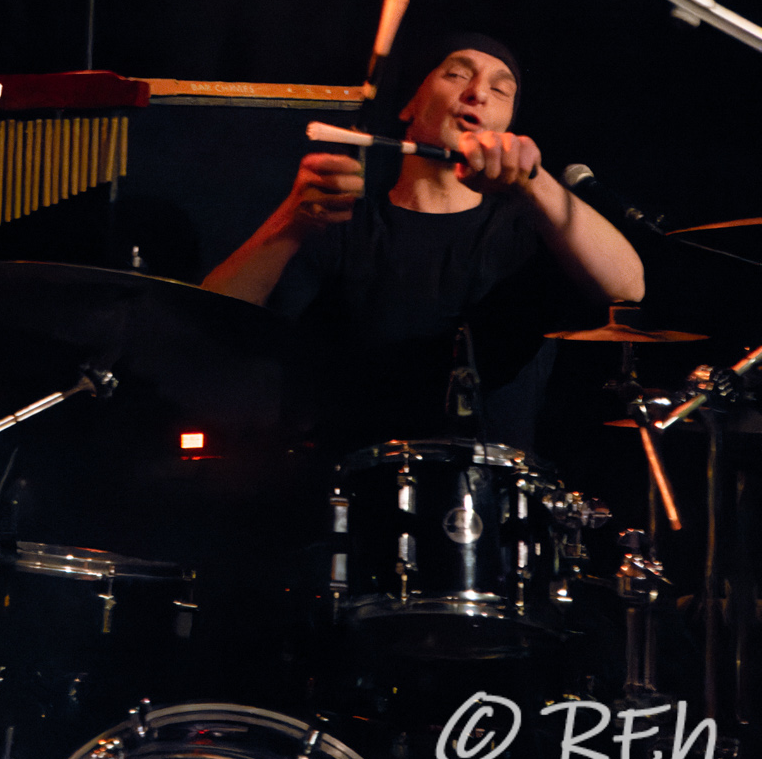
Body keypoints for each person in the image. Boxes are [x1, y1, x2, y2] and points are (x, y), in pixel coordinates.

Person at [201, 34, 644, 451]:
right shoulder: (338, 221)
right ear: (410, 104)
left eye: (500, 89)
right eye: (457, 74)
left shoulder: (529, 229)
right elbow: (208, 323)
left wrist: (535, 182)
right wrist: (290, 221)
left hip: (494, 497)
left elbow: (627, 287)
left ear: (508, 124)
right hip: (352, 488)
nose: (478, 92)